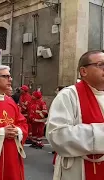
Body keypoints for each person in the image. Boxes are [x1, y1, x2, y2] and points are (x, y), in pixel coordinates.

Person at [47, 50, 104, 180]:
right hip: (79, 170)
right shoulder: (69, 95)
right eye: (101, 64)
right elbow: (57, 135)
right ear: (84, 71)